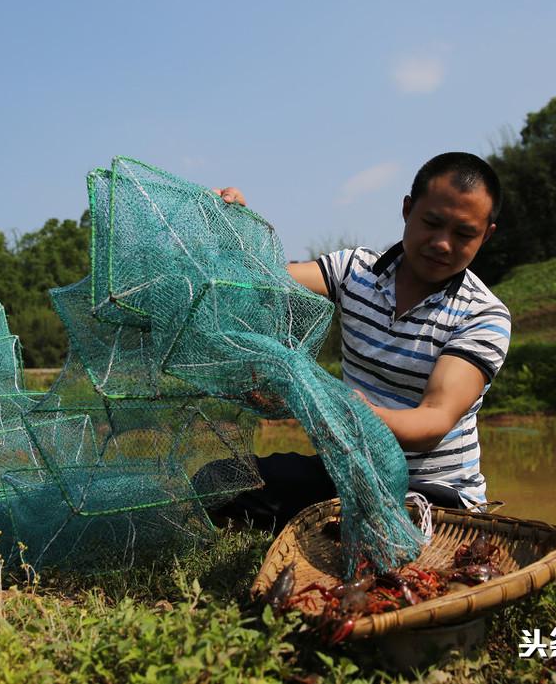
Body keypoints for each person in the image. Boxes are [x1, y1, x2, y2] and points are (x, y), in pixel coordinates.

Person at [211, 152, 510, 530]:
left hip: (433, 492)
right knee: (220, 482)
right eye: (431, 223)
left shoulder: (483, 315)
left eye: (464, 233)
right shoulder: (355, 270)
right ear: (407, 210)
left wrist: (354, 411)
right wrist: (233, 228)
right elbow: (268, 278)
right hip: (352, 471)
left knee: (362, 535)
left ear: (487, 234)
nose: (443, 243)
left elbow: (434, 420)